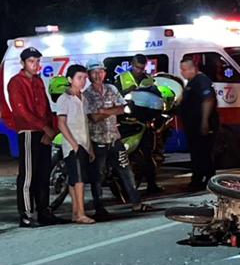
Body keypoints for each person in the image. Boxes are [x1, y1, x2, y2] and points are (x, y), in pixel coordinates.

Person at [4, 47, 60, 226]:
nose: (35, 65)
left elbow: (45, 107)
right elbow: (21, 112)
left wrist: (51, 128)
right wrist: (45, 127)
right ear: (23, 63)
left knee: (43, 174)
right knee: (28, 175)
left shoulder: (38, 81)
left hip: (43, 132)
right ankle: (26, 215)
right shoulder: (16, 82)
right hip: (28, 132)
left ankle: (44, 212)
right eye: (31, 61)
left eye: (37, 61)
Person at [83, 61, 146, 219]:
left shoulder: (112, 89)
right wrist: (111, 111)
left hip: (115, 139)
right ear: (89, 75)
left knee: (126, 170)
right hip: (97, 141)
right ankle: (99, 208)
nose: (98, 75)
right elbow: (94, 117)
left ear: (104, 73)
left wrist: (104, 110)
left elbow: (122, 108)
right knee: (97, 176)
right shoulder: (86, 94)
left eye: (100, 72)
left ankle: (136, 203)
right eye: (94, 72)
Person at [54, 64, 95, 224]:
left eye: (85, 78)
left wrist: (89, 147)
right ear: (70, 79)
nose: (83, 81)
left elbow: (85, 124)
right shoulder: (64, 98)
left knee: (75, 179)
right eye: (79, 78)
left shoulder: (83, 98)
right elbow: (61, 124)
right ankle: (81, 214)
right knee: (78, 180)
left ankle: (76, 212)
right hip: (73, 145)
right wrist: (74, 145)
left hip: (83, 143)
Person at [116, 53, 162, 195]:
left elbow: (156, 97)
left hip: (143, 121)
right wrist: (128, 92)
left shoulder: (148, 79)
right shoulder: (121, 78)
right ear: (132, 64)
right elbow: (115, 95)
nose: (139, 70)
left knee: (147, 154)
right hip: (125, 120)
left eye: (142, 68)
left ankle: (151, 184)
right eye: (137, 67)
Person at [178, 55, 219, 191]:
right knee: (197, 153)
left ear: (193, 69)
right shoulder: (191, 82)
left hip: (201, 125)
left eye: (184, 69)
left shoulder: (201, 80)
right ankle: (197, 180)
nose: (182, 72)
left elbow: (208, 100)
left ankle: (205, 180)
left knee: (203, 153)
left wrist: (204, 122)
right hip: (193, 126)